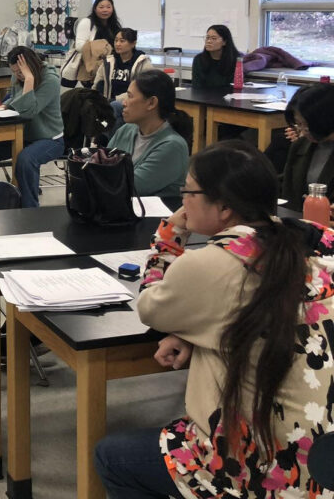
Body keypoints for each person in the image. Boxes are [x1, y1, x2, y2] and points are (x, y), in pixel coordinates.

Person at [95, 141, 334, 498]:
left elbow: (150, 305)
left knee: (113, 457)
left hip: (271, 467)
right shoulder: (314, 240)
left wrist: (169, 240)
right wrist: (197, 332)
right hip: (323, 455)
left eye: (188, 192)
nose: (182, 202)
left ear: (223, 208)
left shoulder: (211, 263)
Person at [0, 46, 64, 208]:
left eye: (20, 71)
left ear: (31, 65)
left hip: (50, 139)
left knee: (26, 160)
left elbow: (30, 110)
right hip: (21, 136)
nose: (17, 76)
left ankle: (29, 209)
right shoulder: (19, 77)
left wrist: (29, 80)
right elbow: (14, 98)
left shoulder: (50, 80)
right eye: (14, 72)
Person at [107, 69, 192, 198]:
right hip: (120, 209)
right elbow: (102, 165)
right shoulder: (126, 130)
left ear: (151, 103)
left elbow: (129, 187)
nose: (123, 103)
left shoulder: (173, 146)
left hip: (154, 216)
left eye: (130, 96)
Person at [280, 83, 334, 212]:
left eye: (306, 124)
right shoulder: (301, 145)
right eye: (298, 124)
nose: (303, 130)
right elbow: (289, 193)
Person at [94, 28, 152, 126]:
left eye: (122, 41)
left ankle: (105, 140)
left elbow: (144, 89)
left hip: (132, 104)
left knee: (114, 108)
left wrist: (116, 99)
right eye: (116, 40)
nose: (117, 44)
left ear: (133, 43)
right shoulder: (109, 62)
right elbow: (97, 84)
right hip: (108, 103)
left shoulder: (142, 63)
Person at [192, 24, 240, 88]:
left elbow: (233, 87)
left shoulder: (235, 60)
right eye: (207, 37)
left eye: (214, 38)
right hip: (203, 97)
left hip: (227, 96)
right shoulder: (199, 59)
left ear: (224, 42)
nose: (209, 41)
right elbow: (196, 86)